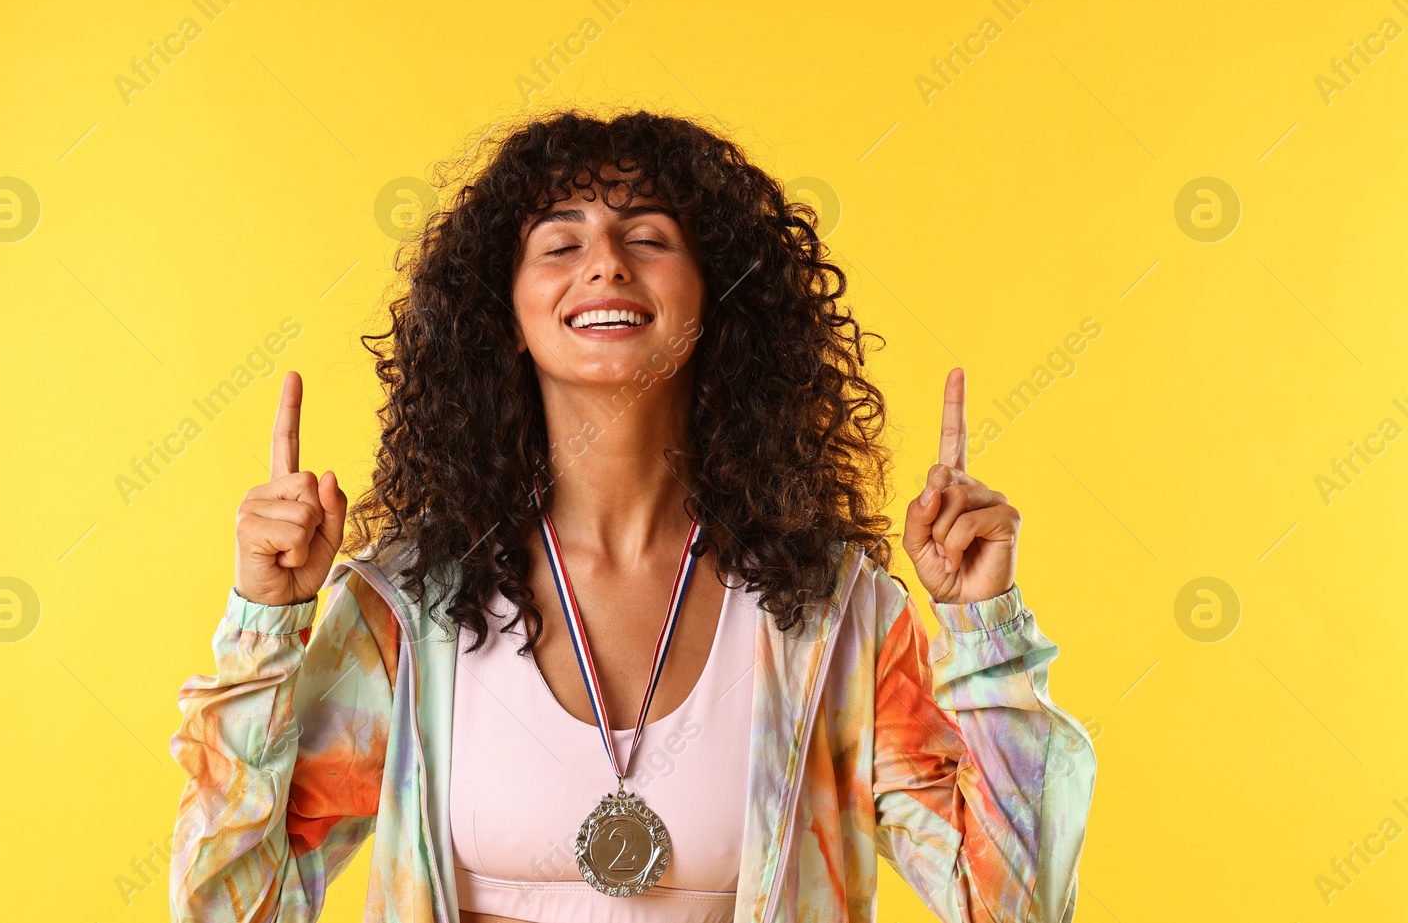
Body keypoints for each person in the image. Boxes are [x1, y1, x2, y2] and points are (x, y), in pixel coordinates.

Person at [167, 110, 1097, 922]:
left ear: (717, 293)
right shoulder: (409, 610)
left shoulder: (835, 620)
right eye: (560, 243)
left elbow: (1009, 903)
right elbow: (230, 909)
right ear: (508, 308)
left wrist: (986, 628)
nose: (605, 261)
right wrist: (264, 628)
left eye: (648, 237)